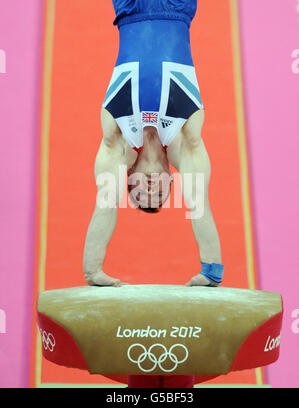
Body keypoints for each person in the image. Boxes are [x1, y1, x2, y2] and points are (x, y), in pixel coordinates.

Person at [83, 0, 224, 387]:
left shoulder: (115, 146)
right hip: (176, 10)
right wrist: (211, 270)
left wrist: (93, 271)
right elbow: (198, 203)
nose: (148, 190)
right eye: (157, 195)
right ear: (169, 183)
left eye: (138, 194)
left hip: (130, 10)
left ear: (125, 178)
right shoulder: (185, 144)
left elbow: (104, 205)